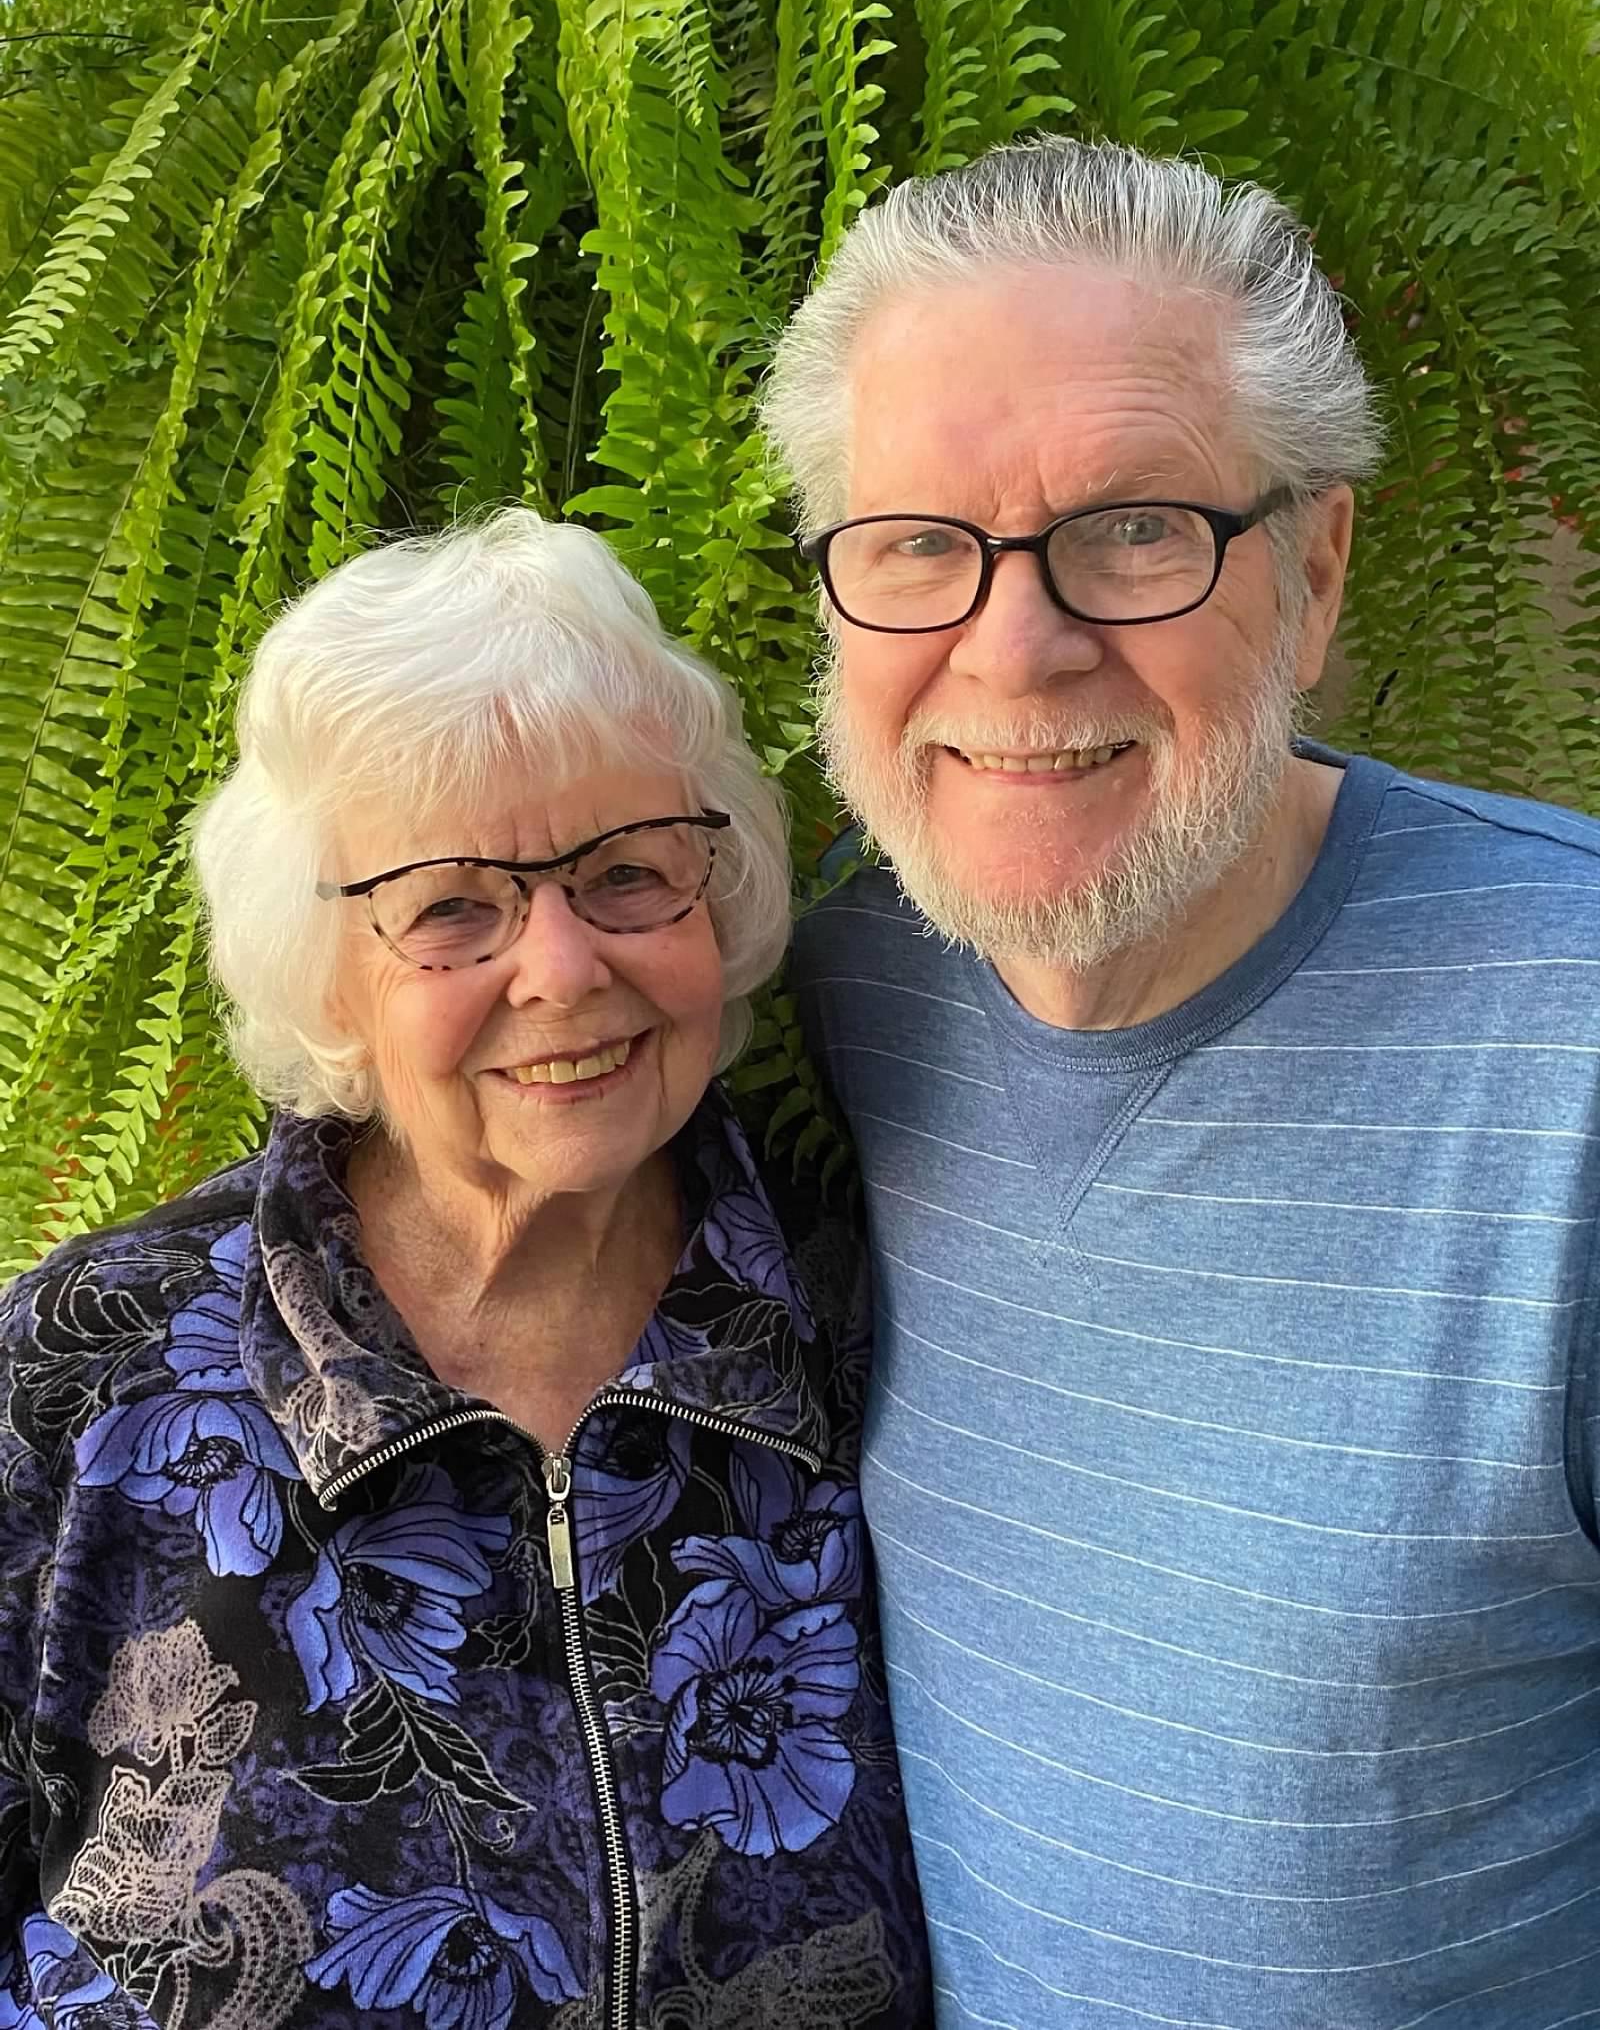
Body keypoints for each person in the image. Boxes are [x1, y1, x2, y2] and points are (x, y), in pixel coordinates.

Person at [763, 136, 1600, 2029]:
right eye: (916, 544)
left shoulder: (1571, 1057)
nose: (1015, 646)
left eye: (1135, 528)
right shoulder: (829, 998)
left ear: (1315, 569)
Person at [0, 511, 931, 2030]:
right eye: (452, 907)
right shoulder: (87, 1370)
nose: (561, 968)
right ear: (329, 977)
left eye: (628, 872)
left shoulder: (864, 1319)